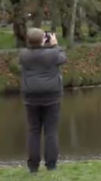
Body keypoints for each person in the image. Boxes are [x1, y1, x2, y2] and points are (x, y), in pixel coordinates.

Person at [19, 28, 67, 173]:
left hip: (31, 96)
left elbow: (31, 53)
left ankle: (33, 166)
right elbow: (63, 57)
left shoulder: (23, 55)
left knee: (33, 130)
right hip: (52, 95)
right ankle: (51, 164)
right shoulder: (53, 54)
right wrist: (55, 44)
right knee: (50, 131)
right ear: (43, 40)